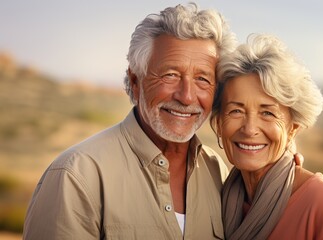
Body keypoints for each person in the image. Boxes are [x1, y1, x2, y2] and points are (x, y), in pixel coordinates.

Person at [23, 3, 237, 239]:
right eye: (170, 75)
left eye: (202, 79)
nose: (186, 96)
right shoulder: (76, 175)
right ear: (135, 81)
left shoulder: (217, 171)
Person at [210, 34, 323, 239]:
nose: (249, 129)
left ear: (293, 128)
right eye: (236, 111)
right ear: (219, 123)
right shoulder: (221, 198)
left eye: (268, 113)